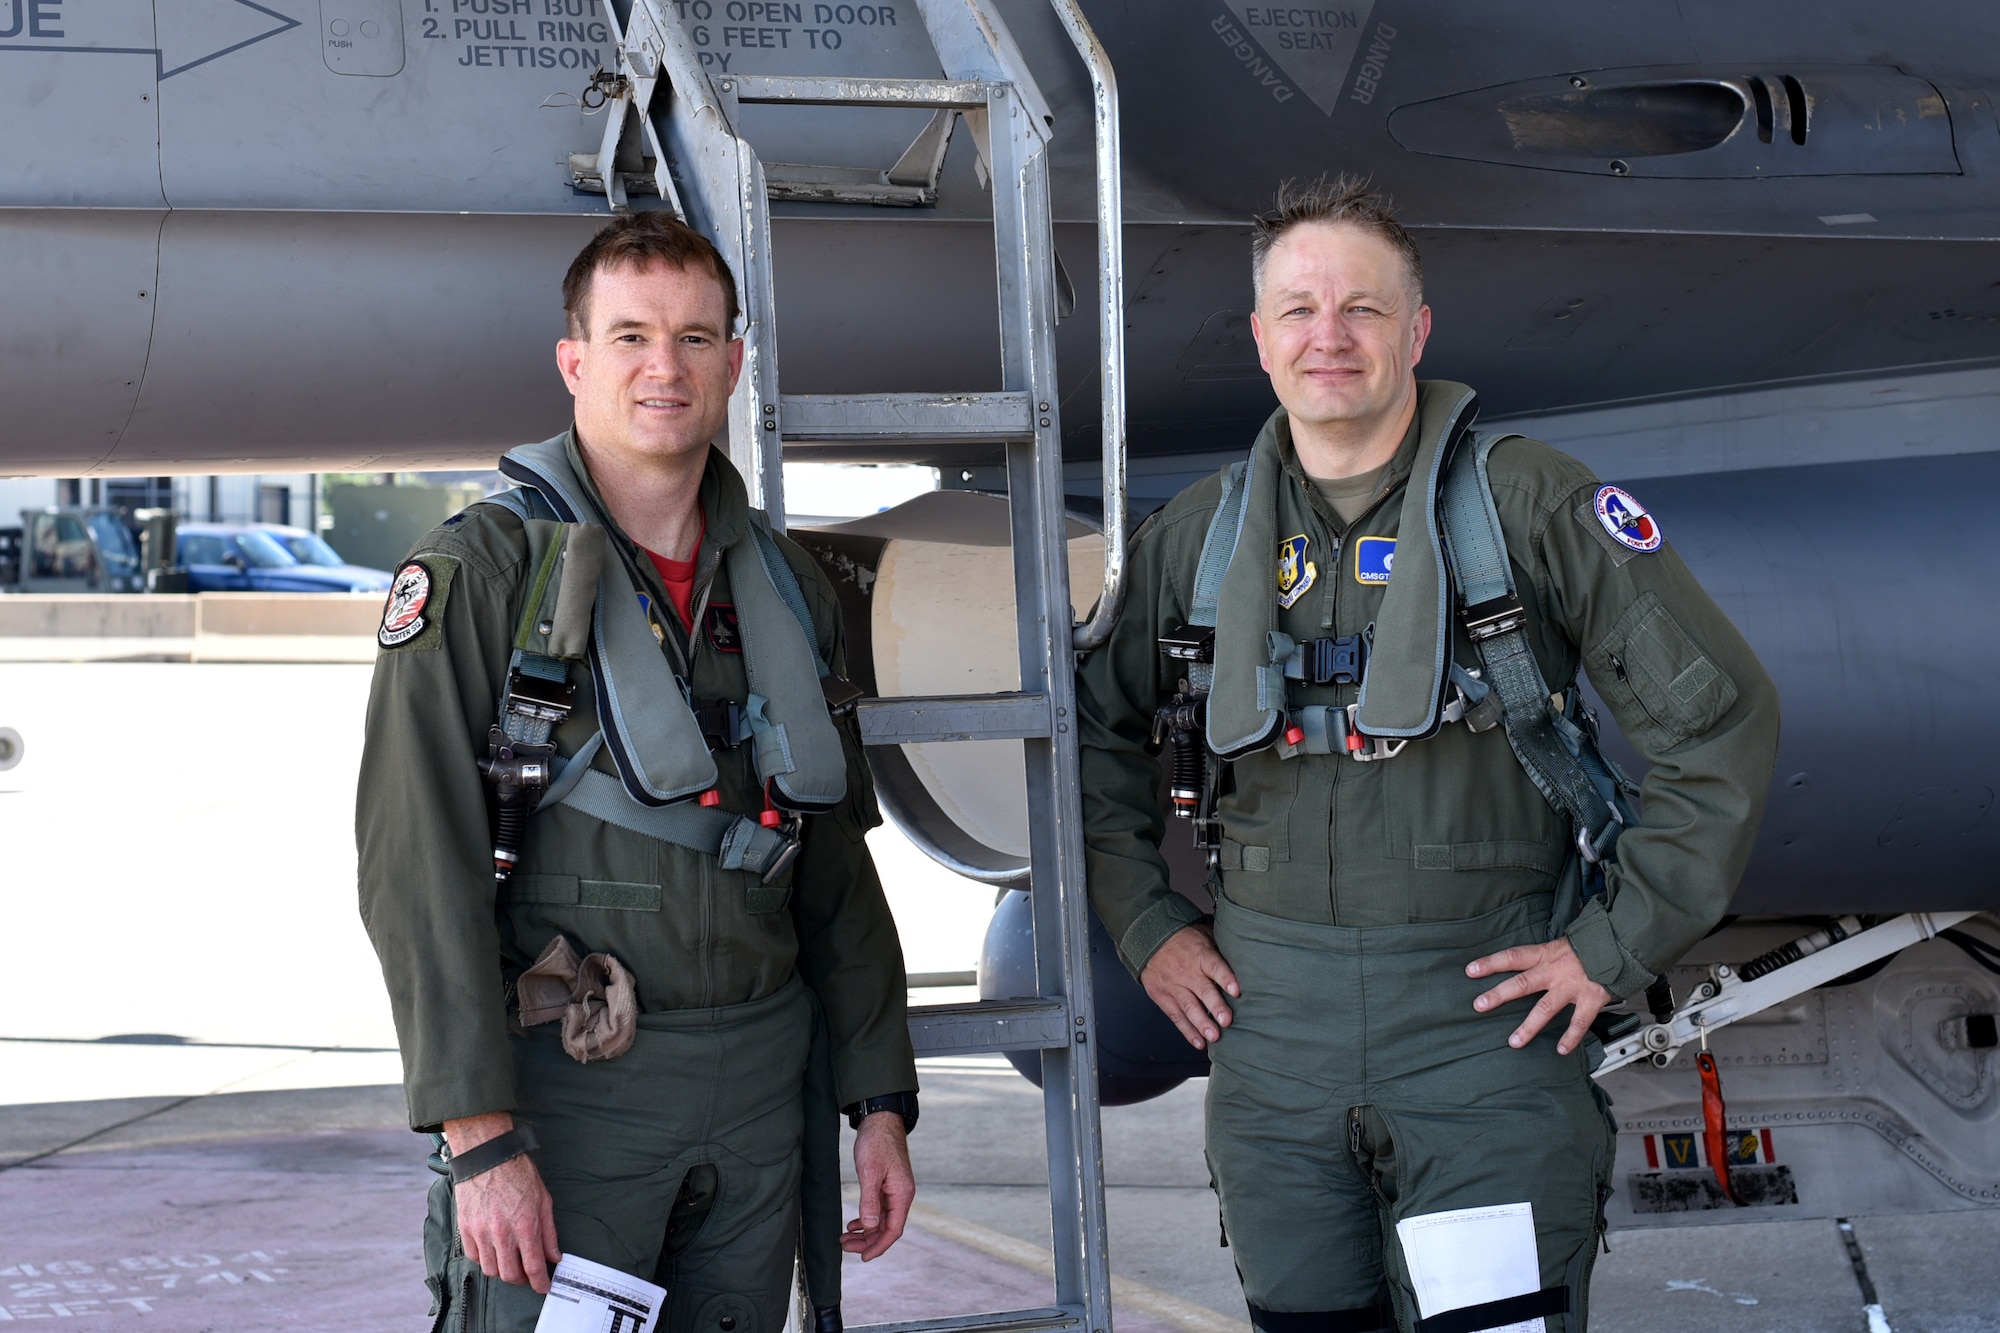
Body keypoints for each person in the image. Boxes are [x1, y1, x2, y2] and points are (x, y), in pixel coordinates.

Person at [1075, 177, 1780, 1333]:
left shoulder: (1526, 508)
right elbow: (1094, 735)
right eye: (1297, 309)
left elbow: (1719, 720)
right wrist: (1147, 927)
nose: (1328, 335)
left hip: (1479, 1043)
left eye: (1362, 307)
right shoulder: (1198, 540)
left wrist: (1611, 945)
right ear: (1258, 339)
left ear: (1416, 329)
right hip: (1272, 1049)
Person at [358, 211, 918, 1333]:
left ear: (733, 364)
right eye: (629, 337)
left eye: (695, 338)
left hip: (759, 1099)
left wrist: (878, 1099)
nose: (664, 366)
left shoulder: (786, 588)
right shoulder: (478, 575)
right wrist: (479, 1139)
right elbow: (416, 870)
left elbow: (832, 865)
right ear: (573, 361)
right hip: (577, 1096)